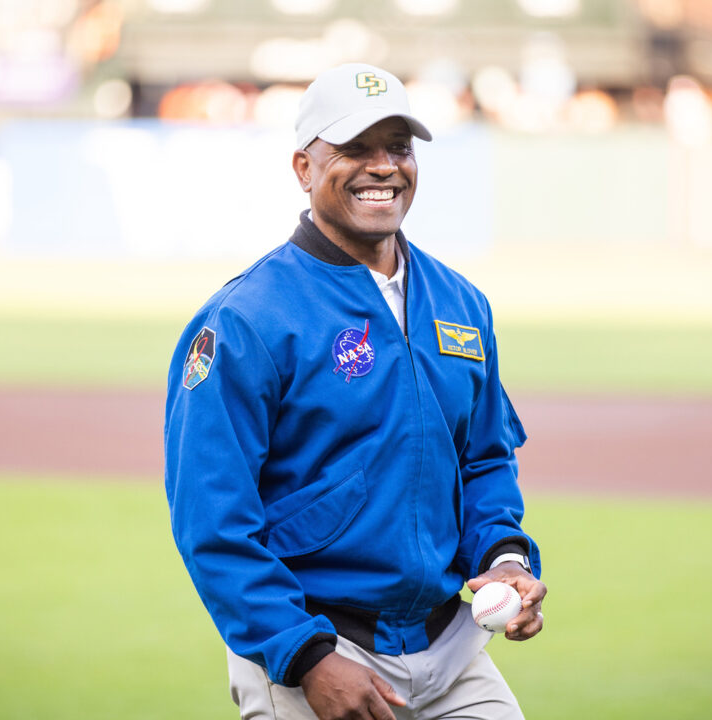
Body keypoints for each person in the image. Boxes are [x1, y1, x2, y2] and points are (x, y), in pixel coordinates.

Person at [164, 62, 546, 720]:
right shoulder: (246, 319)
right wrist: (307, 657)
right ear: (303, 168)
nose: (383, 167)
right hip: (318, 650)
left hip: (446, 646)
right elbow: (213, 520)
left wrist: (503, 555)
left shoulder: (460, 302)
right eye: (354, 149)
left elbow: (483, 458)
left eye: (398, 147)